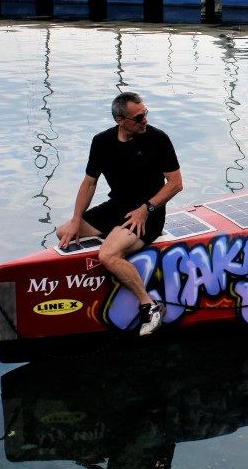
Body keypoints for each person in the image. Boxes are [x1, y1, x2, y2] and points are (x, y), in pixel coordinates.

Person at [57, 91, 182, 336]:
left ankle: (150, 306)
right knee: (64, 232)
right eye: (138, 118)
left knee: (108, 254)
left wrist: (146, 209)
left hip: (148, 213)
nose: (144, 120)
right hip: (117, 207)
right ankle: (116, 261)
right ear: (120, 120)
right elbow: (89, 183)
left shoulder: (158, 139)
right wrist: (75, 221)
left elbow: (176, 183)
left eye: (145, 114)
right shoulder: (101, 142)